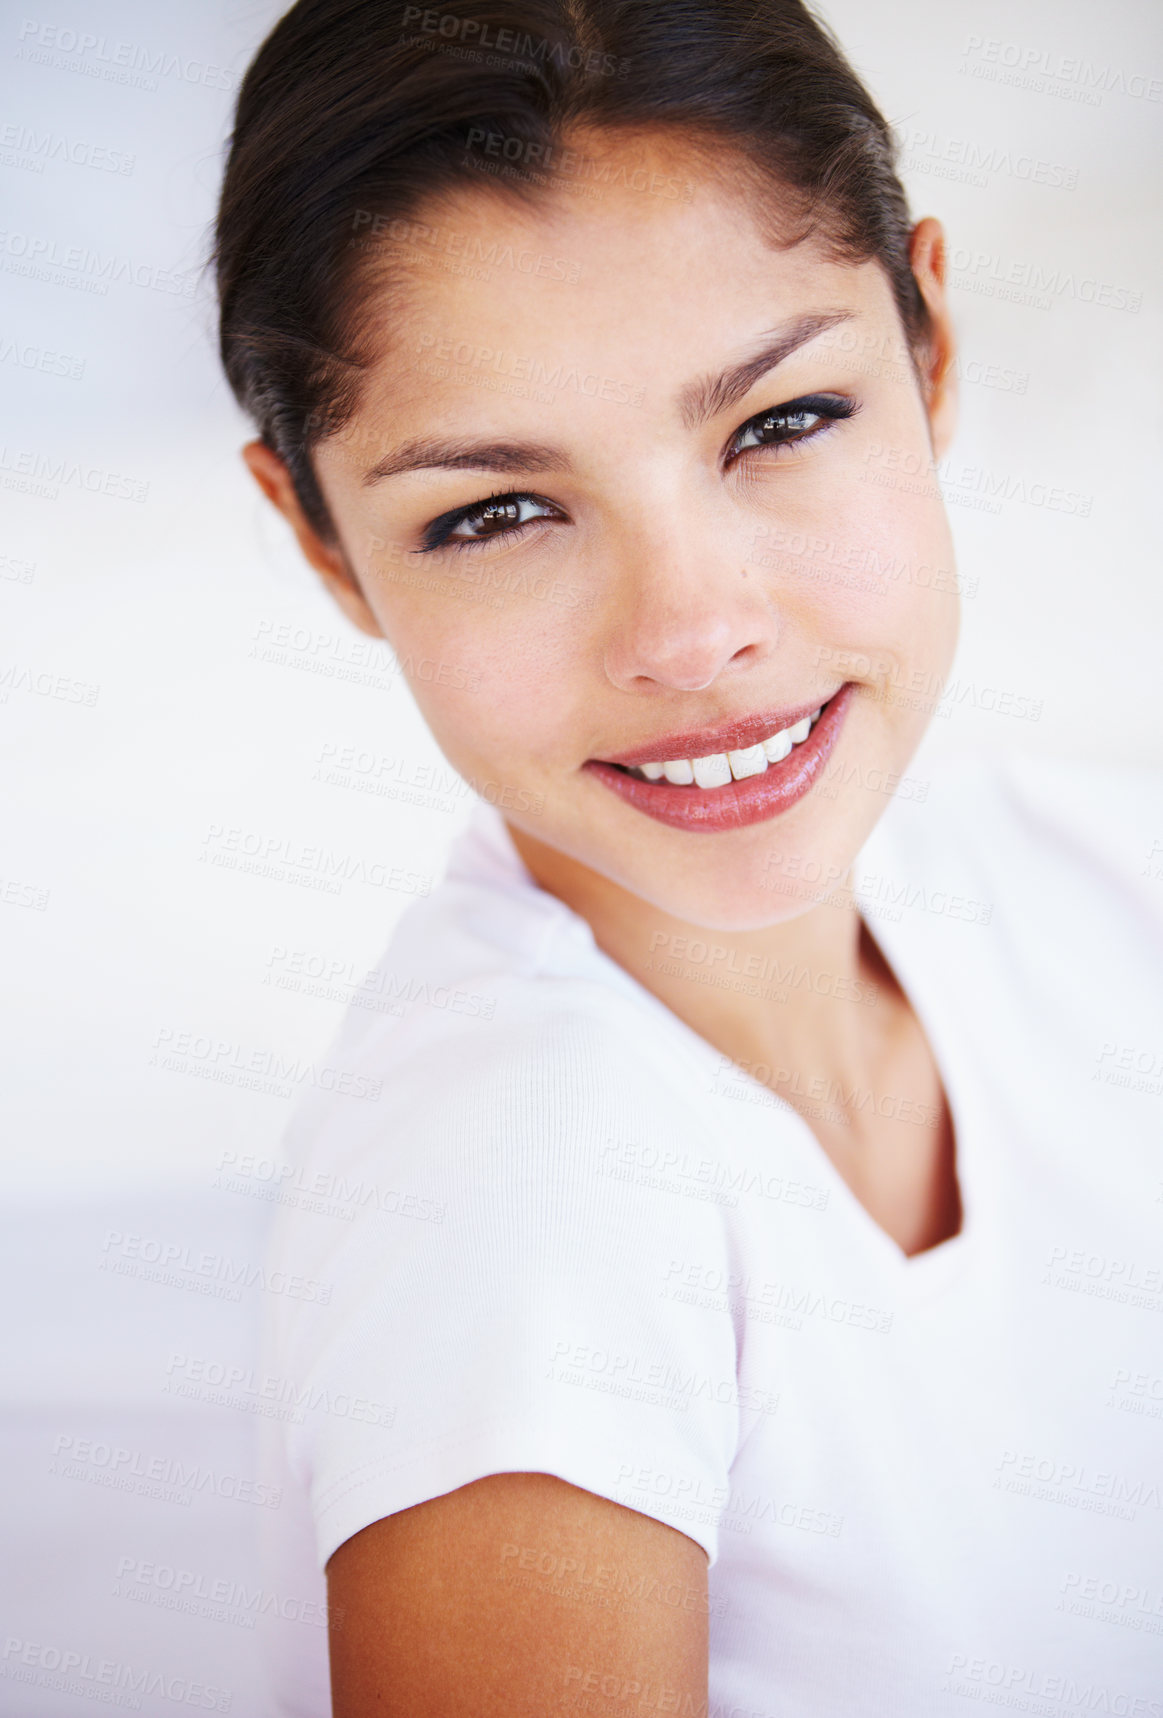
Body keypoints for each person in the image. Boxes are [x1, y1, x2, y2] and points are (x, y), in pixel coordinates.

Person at [213, 1, 1163, 1712]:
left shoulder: (1088, 879)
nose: (694, 630)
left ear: (930, 338)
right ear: (319, 539)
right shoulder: (513, 1206)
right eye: (495, 512)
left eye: (780, 422)